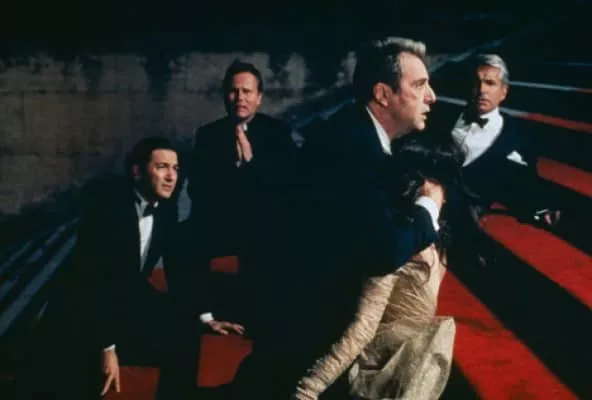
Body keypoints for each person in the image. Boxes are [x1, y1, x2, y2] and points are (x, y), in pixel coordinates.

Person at [232, 37, 445, 399]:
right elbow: (384, 252)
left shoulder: (356, 134)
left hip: (307, 314)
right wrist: (429, 207)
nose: (432, 97)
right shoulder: (353, 148)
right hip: (307, 325)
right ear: (383, 94)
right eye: (420, 85)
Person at [19, 137, 239, 400]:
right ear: (137, 172)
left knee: (185, 331)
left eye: (175, 168)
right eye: (161, 167)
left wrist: (205, 316)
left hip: (127, 295)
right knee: (82, 376)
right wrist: (107, 348)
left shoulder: (165, 209)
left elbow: (176, 264)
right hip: (81, 305)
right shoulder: (108, 210)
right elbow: (93, 281)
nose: (171, 177)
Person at [293, 137, 477, 399]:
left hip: (407, 369)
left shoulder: (433, 237)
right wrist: (308, 390)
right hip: (377, 374)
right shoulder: (401, 244)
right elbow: (364, 326)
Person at [187, 59, 298, 328]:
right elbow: (197, 189)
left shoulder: (277, 134)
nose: (240, 98)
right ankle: (203, 316)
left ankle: (270, 315)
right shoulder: (208, 135)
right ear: (225, 96)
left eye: (247, 92)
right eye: (234, 91)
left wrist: (251, 163)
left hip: (265, 223)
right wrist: (232, 172)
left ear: (259, 98)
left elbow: (288, 186)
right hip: (223, 222)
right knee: (184, 238)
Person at [444, 54, 560, 227]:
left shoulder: (516, 134)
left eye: (490, 83)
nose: (482, 90)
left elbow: (526, 180)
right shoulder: (444, 119)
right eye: (477, 82)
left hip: (464, 215)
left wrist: (540, 207)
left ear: (503, 92)